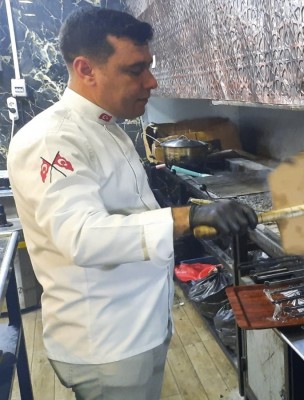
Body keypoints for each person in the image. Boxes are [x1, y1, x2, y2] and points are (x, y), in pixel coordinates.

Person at [7, 7, 256, 399]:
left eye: (148, 67)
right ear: (86, 69)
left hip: (137, 328)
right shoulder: (52, 140)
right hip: (106, 344)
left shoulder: (108, 127)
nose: (151, 81)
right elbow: (82, 237)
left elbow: (128, 214)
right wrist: (188, 218)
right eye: (135, 70)